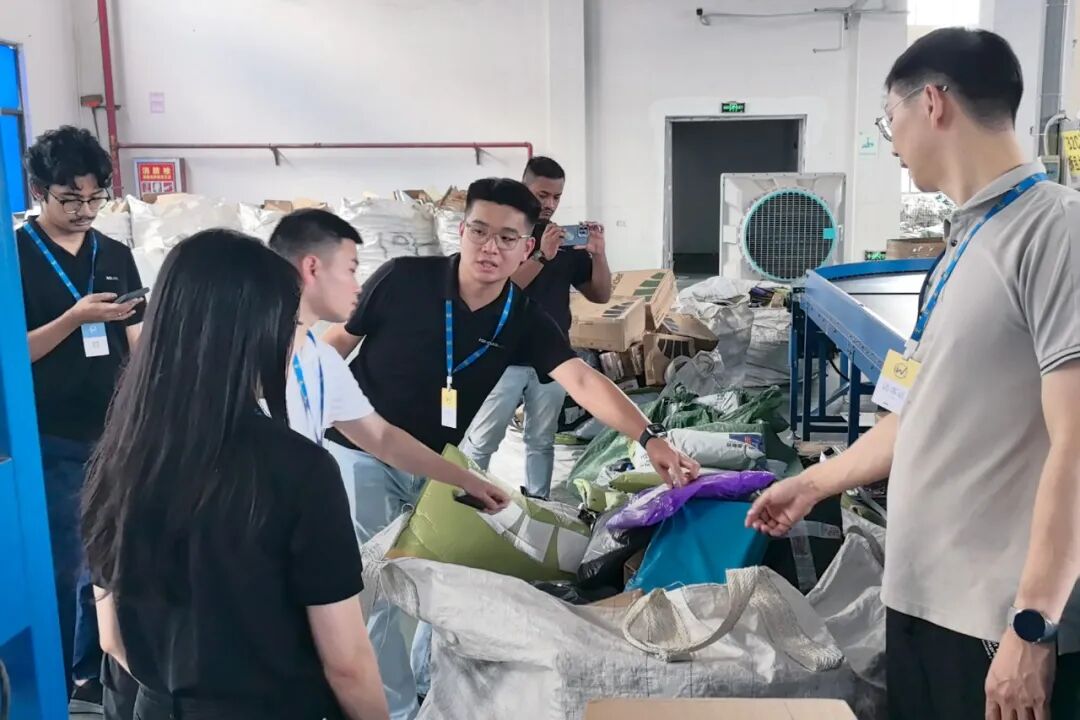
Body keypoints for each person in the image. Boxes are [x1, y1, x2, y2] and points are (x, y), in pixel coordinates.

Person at [746, 28, 1080, 720]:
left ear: (931, 102)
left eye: (887, 118)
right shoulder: (965, 242)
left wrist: (1033, 625)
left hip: (994, 623)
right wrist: (812, 484)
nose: (891, 139)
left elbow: (1077, 445)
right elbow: (913, 415)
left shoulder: (1056, 232)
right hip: (922, 600)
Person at [322, 177, 698, 719]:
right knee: (382, 588)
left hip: (437, 463)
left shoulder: (520, 316)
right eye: (479, 231)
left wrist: (649, 437)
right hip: (361, 450)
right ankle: (396, 711)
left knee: (439, 574)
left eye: (507, 238)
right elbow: (338, 342)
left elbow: (582, 380)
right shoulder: (402, 279)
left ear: (528, 248)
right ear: (461, 230)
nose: (490, 248)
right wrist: (294, 404)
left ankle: (431, 686)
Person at [82, 229, 390, 720]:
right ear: (254, 332)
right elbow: (347, 664)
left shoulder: (123, 453)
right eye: (288, 323)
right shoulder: (300, 470)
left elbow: (111, 639)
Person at [17, 125, 146, 703]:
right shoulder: (15, 258)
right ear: (38, 191)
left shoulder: (114, 254)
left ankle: (95, 673)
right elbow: (12, 354)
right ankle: (56, 677)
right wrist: (74, 318)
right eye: (71, 199)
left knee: (111, 556)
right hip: (48, 435)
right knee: (62, 559)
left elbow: (138, 342)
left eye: (96, 199)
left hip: (113, 433)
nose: (85, 211)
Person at [268, 208, 511, 514]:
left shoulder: (322, 365)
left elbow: (383, 438)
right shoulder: (254, 355)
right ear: (312, 268)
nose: (357, 287)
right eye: (350, 270)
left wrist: (467, 480)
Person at [460, 156, 612, 498]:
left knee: (541, 441)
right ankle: (463, 501)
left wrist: (598, 254)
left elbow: (600, 295)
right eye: (542, 194)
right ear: (524, 186)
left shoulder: (565, 241)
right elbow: (501, 288)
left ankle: (539, 503)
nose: (549, 204)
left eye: (556, 197)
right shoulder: (507, 236)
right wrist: (541, 256)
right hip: (502, 355)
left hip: (552, 359)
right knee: (483, 439)